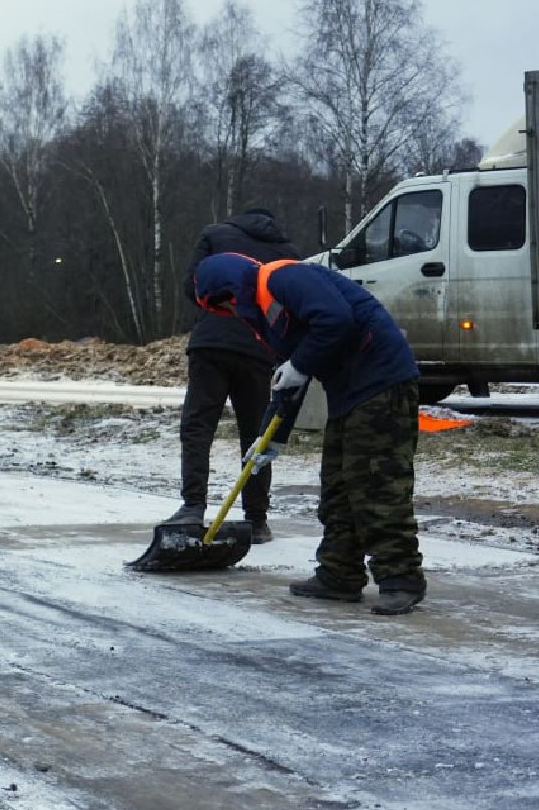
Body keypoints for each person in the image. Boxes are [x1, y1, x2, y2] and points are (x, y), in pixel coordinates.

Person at [194, 252, 427, 616]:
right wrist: (270, 437)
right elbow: (289, 377)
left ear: (232, 286)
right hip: (349, 391)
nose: (233, 312)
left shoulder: (282, 278)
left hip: (382, 381)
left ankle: (401, 578)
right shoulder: (269, 315)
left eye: (227, 302)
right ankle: (339, 575)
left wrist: (300, 365)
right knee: (337, 485)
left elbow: (336, 320)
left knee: (375, 484)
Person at [171, 208, 302, 543]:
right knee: (256, 434)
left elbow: (192, 286)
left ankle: (193, 507)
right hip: (259, 348)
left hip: (211, 342)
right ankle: (257, 520)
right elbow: (291, 305)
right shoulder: (289, 253)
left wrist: (218, 307)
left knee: (199, 425)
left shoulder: (215, 235)